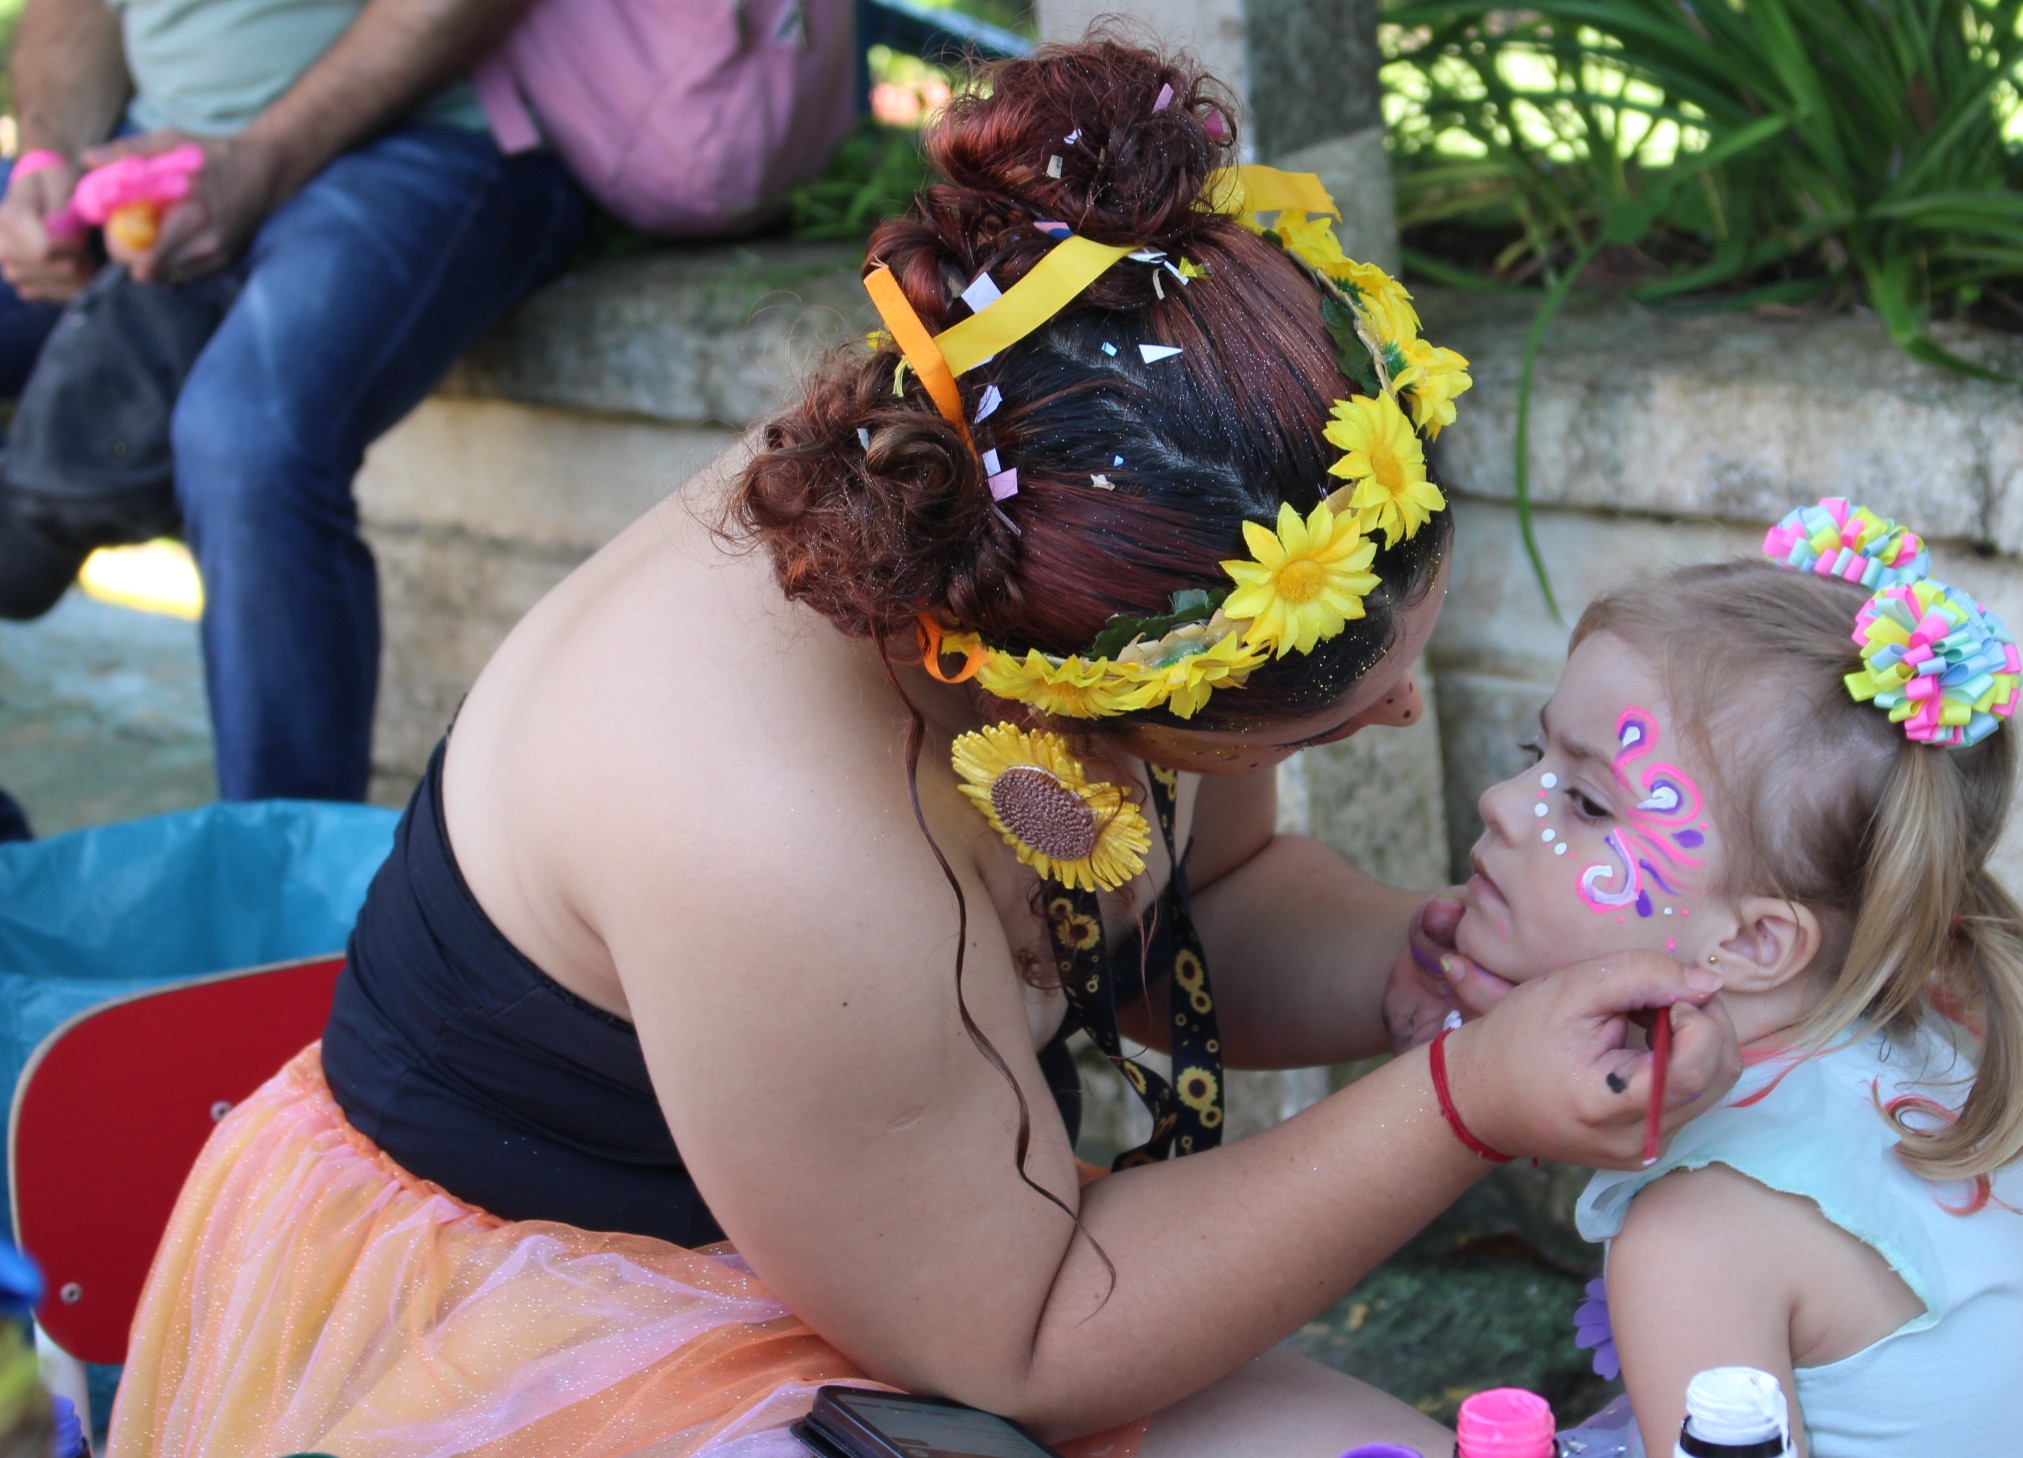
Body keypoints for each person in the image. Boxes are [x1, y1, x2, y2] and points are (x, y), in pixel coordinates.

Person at [106, 40, 1742, 1458]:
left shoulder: (1093, 502)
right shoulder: (773, 831)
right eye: (1339, 709)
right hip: (567, 1304)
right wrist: (1462, 1100)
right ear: (1095, 691)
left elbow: (1198, 911)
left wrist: (1450, 966)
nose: (1399, 714)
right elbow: (1018, 1327)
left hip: (923, 1223)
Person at [1442, 504, 2023, 1455]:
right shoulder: (1910, 1042)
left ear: (1752, 945)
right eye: (1533, 758)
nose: (1502, 805)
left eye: (1585, 801)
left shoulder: (1695, 1237)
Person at [0, 0, 587, 801]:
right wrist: (46, 165)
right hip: (148, 154)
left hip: (435, 141)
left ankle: (286, 895)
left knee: (247, 438)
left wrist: (257, 161)